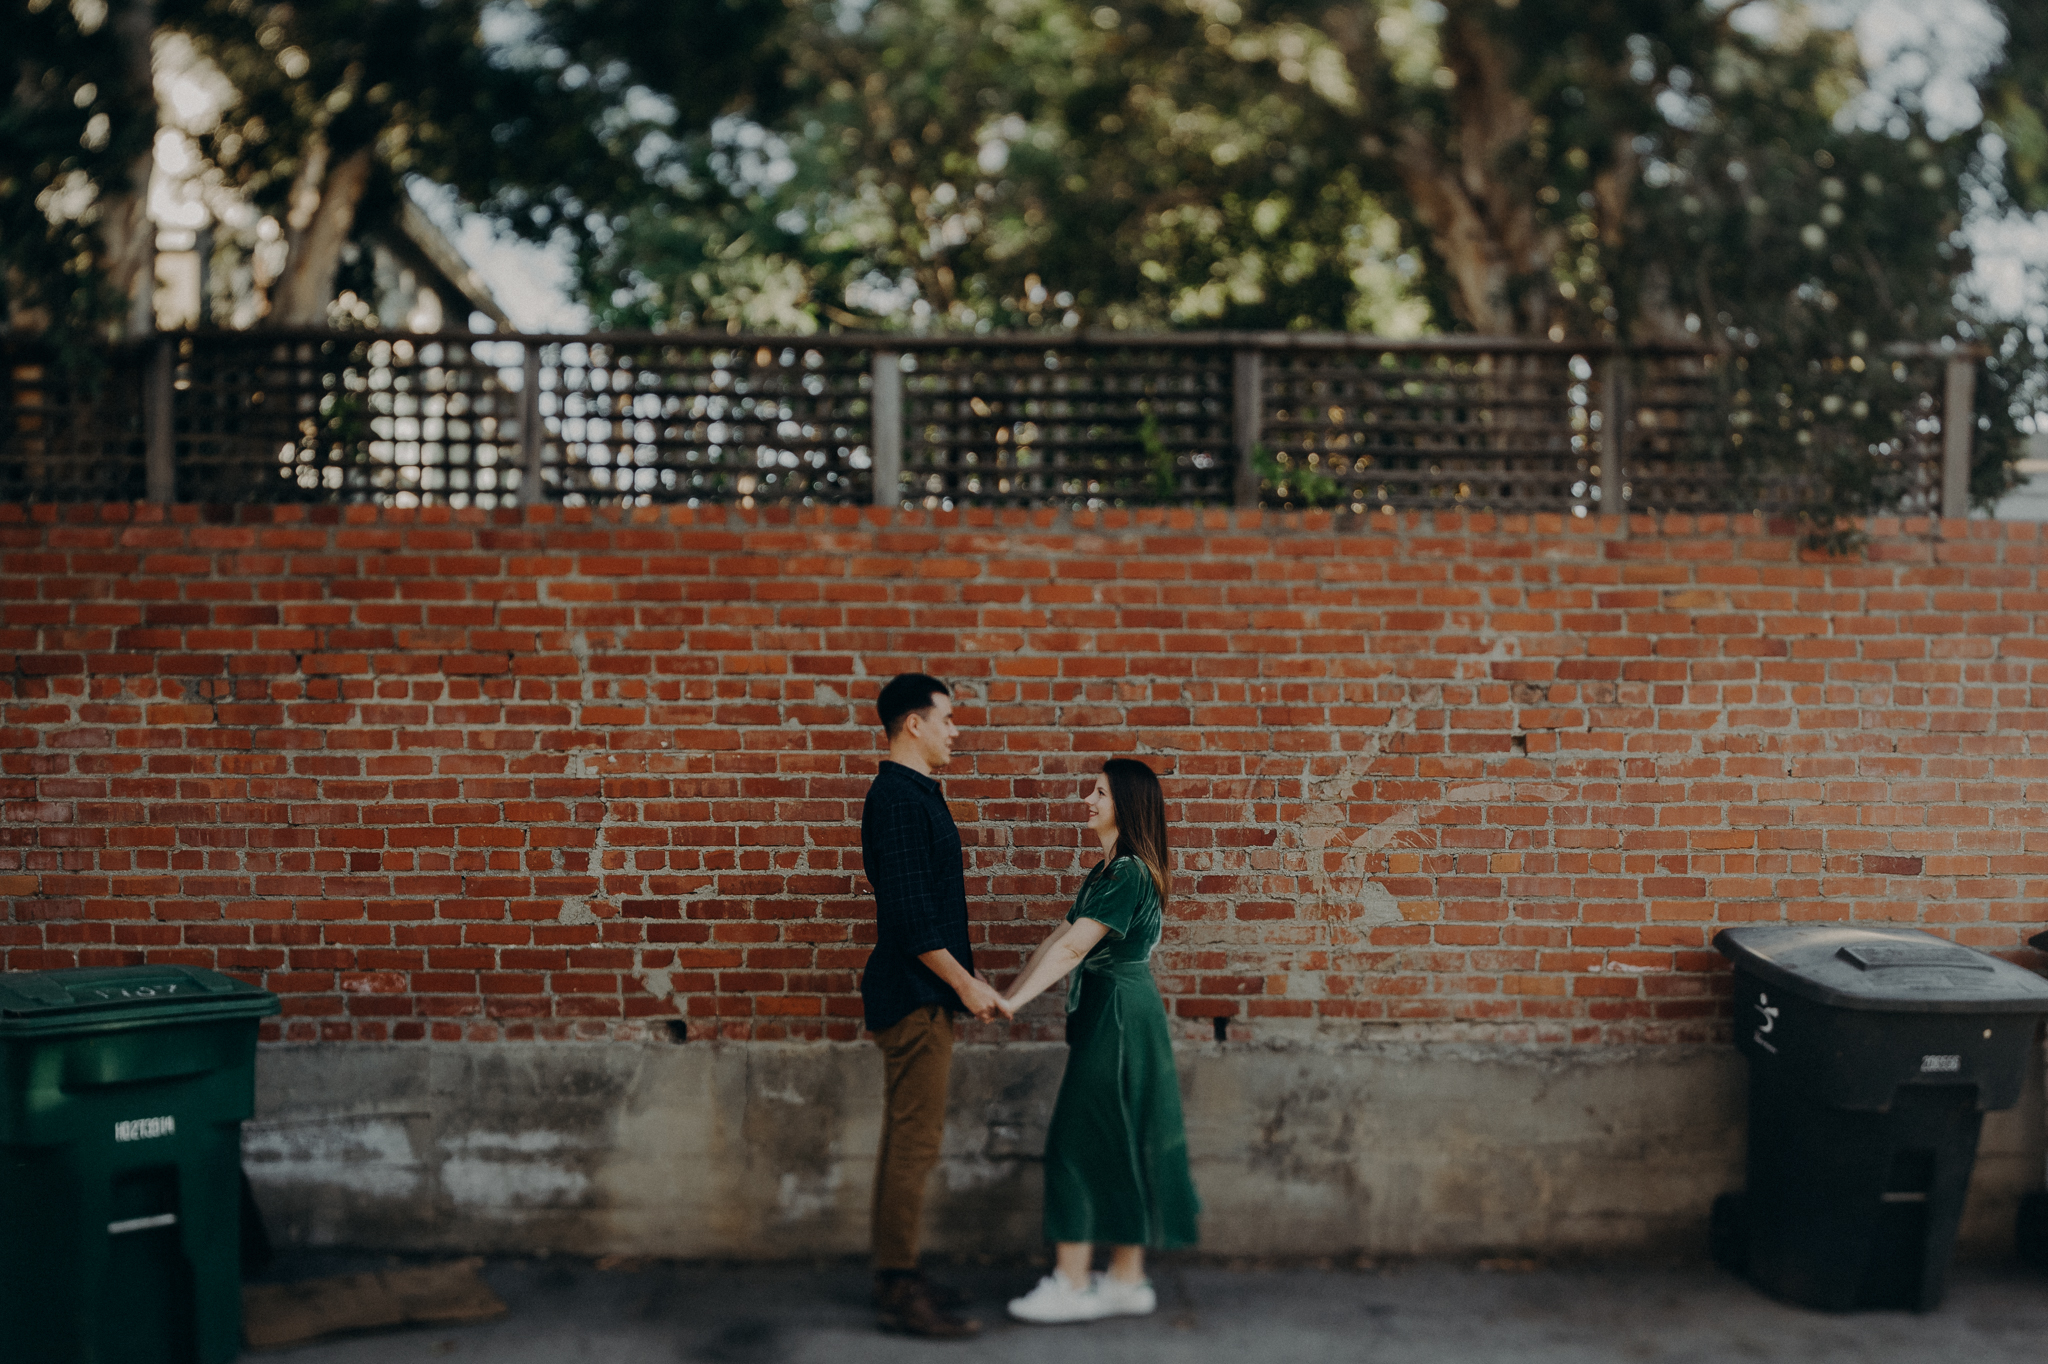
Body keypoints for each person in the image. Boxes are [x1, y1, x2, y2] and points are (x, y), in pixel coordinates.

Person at [1000, 757, 1201, 1324]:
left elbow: (1071, 951)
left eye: (1099, 793)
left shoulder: (1128, 873)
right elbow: (1059, 935)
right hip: (1119, 1009)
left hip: (1117, 1012)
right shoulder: (1109, 871)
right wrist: (1009, 994)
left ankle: (1071, 1283)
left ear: (1126, 806)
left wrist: (1012, 1003)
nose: (1086, 800)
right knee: (1124, 1137)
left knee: (1073, 1142)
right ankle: (1125, 1280)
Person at [859, 673, 1008, 1339]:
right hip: (916, 998)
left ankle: (899, 1274)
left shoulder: (914, 794)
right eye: (946, 717)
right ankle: (898, 1285)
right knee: (914, 1144)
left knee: (906, 1139)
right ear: (912, 724)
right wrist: (966, 985)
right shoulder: (897, 798)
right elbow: (913, 920)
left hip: (921, 997)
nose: (956, 729)